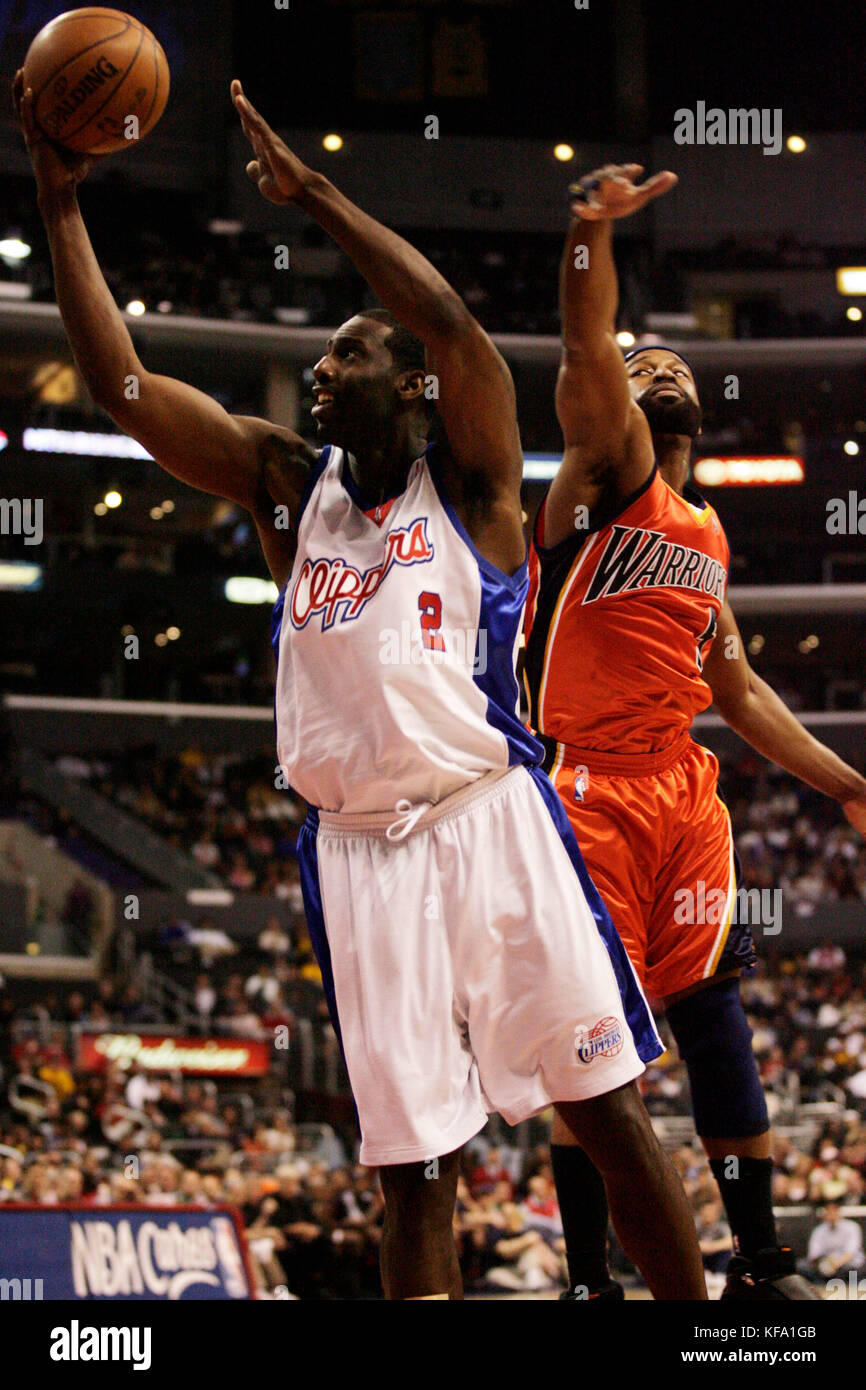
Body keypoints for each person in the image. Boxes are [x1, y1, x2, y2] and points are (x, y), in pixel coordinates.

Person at [14, 74, 706, 1300]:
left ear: (410, 386)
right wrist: (61, 201)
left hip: (491, 820)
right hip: (357, 854)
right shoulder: (291, 485)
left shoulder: (479, 479)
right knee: (416, 1169)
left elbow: (449, 322)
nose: (320, 376)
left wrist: (314, 192)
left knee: (602, 1107)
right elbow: (120, 386)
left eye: (345, 356)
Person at [523, 163, 866, 1301]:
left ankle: (759, 1264)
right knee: (590, 1044)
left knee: (715, 1009)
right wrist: (585, 233)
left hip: (680, 789)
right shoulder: (601, 474)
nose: (652, 364)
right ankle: (586, 1276)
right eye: (638, 362)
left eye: (671, 363)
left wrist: (840, 782)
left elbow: (744, 691)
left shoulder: (705, 538)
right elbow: (583, 349)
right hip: (582, 791)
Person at [802, 1202, 865, 1284]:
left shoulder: (852, 1227)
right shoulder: (819, 1230)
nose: (831, 1216)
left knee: (851, 1271)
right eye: (829, 1213)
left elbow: (851, 1252)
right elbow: (814, 1253)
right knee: (803, 1266)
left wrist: (837, 1263)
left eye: (834, 1212)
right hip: (825, 1263)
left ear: (839, 1213)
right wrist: (827, 1262)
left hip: (849, 1264)